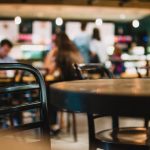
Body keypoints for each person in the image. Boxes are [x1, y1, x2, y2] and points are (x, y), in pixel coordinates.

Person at [44, 32, 83, 135]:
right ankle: (55, 123)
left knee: (47, 93)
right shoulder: (75, 52)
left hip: (65, 96)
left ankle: (52, 125)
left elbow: (48, 69)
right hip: (76, 94)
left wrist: (52, 52)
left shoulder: (61, 54)